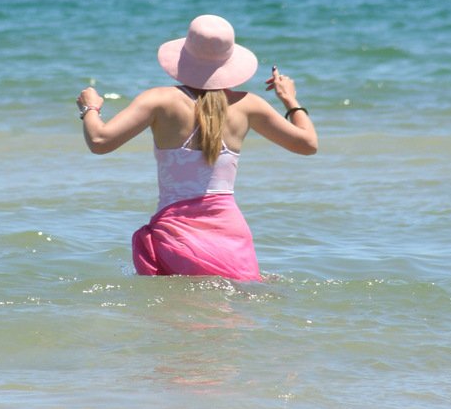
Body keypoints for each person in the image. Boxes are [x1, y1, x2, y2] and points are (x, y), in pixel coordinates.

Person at [76, 14, 317, 281]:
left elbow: (99, 141)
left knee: (181, 319)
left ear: (184, 57)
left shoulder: (160, 100)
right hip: (231, 238)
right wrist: (290, 100)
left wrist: (90, 107)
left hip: (178, 236)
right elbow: (308, 144)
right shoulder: (249, 105)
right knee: (234, 316)